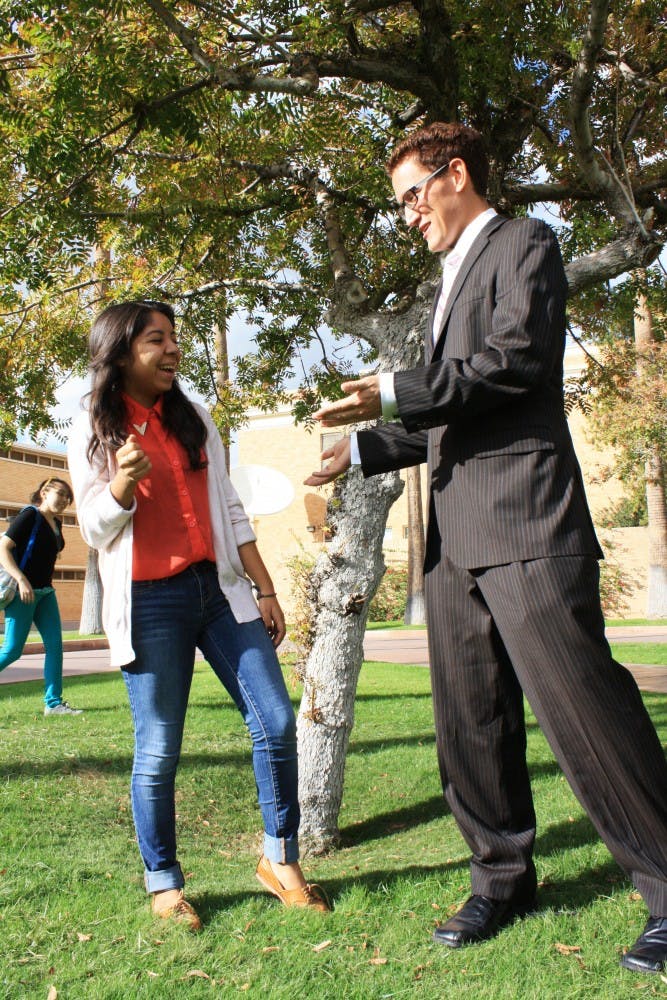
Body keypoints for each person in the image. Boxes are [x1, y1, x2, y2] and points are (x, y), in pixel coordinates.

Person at [305, 122, 667, 975]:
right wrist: (361, 448)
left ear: (454, 173)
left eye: (410, 195)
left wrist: (391, 390)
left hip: (527, 526)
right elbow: (453, 416)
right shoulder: (447, 277)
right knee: (469, 723)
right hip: (454, 542)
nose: (405, 215)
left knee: (584, 713)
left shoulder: (523, 244)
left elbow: (512, 365)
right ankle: (500, 877)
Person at [67, 300, 329, 931]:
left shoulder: (195, 418)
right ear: (123, 350)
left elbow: (231, 510)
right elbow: (94, 528)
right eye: (158, 340)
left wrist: (264, 588)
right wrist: (124, 483)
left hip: (219, 593)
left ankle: (280, 860)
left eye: (176, 339)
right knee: (158, 749)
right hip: (149, 600)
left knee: (275, 721)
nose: (174, 350)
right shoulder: (93, 427)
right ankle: (165, 884)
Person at [0, 478, 82, 716]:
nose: (66, 500)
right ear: (45, 492)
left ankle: (53, 703)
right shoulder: (29, 515)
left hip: (46, 593)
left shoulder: (56, 523)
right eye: (62, 494)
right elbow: (3, 548)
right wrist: (21, 580)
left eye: (69, 498)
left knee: (55, 646)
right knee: (13, 650)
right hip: (23, 593)